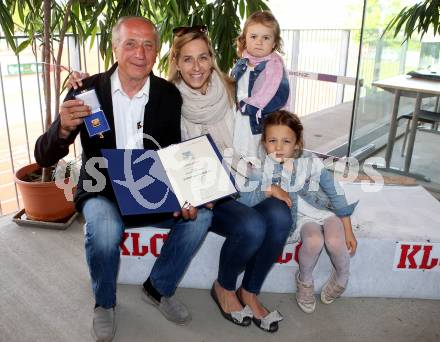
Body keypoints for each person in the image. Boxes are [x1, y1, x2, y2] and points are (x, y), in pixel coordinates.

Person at [68, 22, 293, 334]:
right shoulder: (157, 97)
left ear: (213, 58)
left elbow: (247, 134)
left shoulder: (221, 88)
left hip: (235, 179)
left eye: (203, 57)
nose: (196, 66)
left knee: (272, 216)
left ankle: (235, 291)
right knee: (246, 225)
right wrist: (67, 117)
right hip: (141, 188)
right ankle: (109, 302)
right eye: (187, 59)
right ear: (175, 61)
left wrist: (263, 179)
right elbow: (171, 158)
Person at [35, 16, 214, 342]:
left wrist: (187, 192)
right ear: (115, 47)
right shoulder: (85, 91)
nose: (140, 53)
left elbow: (172, 153)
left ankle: (158, 288)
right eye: (130, 43)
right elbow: (44, 157)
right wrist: (61, 129)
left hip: (150, 189)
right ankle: (104, 303)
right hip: (102, 188)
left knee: (202, 214)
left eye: (148, 45)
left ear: (157, 50)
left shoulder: (168, 95)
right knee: (103, 229)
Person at [239, 110, 358, 315]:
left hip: (325, 211)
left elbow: (335, 191)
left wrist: (348, 229)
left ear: (297, 143)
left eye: (286, 141)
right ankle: (305, 281)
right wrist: (268, 190)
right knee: (313, 242)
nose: (278, 147)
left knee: (336, 242)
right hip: (301, 219)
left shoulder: (310, 162)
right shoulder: (262, 169)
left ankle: (342, 277)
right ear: (264, 143)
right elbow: (245, 200)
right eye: (272, 140)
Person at [231, 10, 290, 162]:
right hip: (239, 123)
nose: (259, 42)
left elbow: (279, 96)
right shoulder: (240, 64)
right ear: (245, 39)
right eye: (253, 36)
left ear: (274, 43)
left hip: (261, 125)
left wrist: (248, 107)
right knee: (240, 158)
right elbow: (231, 88)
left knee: (261, 161)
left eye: (265, 37)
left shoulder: (275, 68)